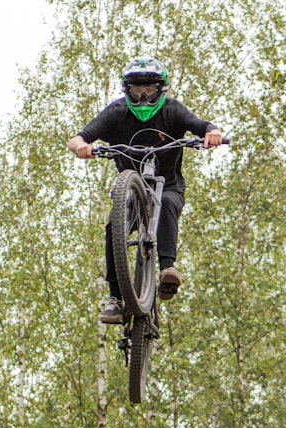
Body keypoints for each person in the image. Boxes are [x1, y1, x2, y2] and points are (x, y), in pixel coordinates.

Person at [68, 56, 224, 324]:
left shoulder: (172, 111)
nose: (142, 97)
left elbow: (203, 126)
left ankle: (167, 270)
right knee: (112, 227)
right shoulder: (117, 112)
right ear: (126, 91)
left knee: (166, 203)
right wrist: (82, 146)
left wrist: (213, 133)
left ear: (160, 90)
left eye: (149, 90)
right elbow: (78, 138)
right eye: (136, 91)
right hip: (130, 191)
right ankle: (116, 299)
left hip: (168, 183)